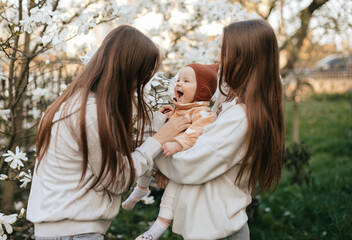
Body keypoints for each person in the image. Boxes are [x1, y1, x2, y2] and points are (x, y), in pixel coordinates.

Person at [26, 25, 191, 240]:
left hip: (67, 230)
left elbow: (110, 157)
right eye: (140, 77)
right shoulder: (91, 114)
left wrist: (159, 124)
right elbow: (117, 179)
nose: (139, 85)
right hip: (74, 232)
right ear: (129, 71)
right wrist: (159, 140)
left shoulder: (75, 104)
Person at [140, 19, 285, 240]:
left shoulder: (240, 117)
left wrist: (155, 142)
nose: (217, 58)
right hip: (209, 228)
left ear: (242, 59)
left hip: (218, 231)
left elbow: (188, 165)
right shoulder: (228, 102)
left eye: (223, 50)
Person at [122, 63, 219, 240]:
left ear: (202, 91)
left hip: (180, 165)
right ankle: (141, 188)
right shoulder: (178, 110)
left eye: (186, 81)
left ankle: (157, 227)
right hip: (165, 159)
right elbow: (156, 134)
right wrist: (161, 117)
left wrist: (178, 144)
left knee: (172, 191)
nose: (178, 84)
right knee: (147, 154)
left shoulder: (203, 113)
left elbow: (196, 133)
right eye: (179, 79)